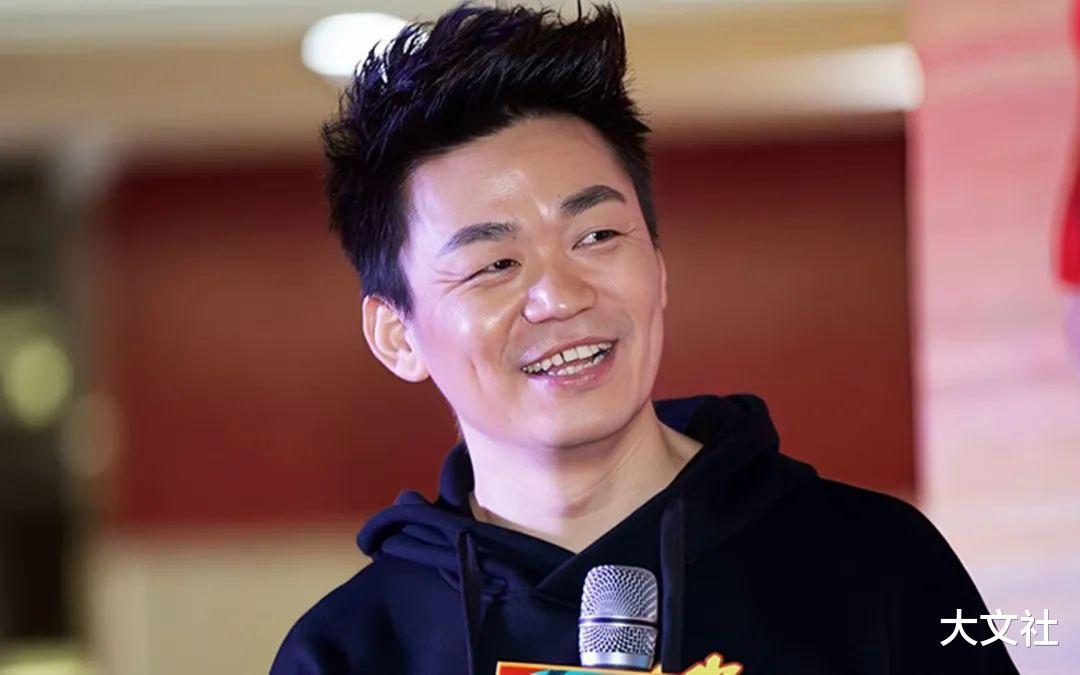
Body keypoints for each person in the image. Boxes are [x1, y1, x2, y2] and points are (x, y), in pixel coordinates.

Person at [271, 4, 1019, 674]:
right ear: (397, 336)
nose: (562, 297)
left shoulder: (876, 563)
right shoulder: (348, 650)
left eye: (597, 236)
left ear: (658, 268)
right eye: (495, 264)